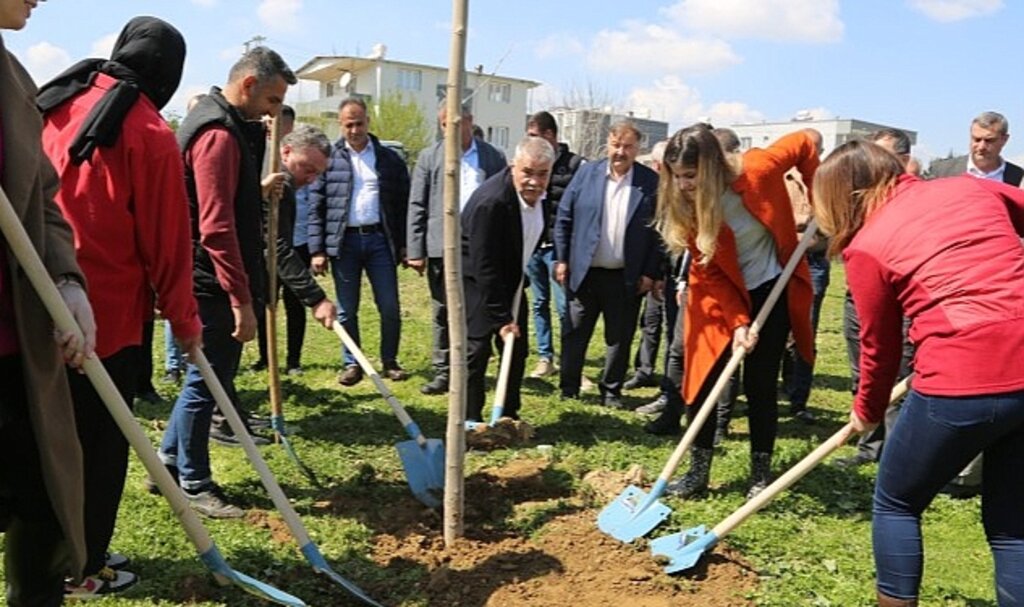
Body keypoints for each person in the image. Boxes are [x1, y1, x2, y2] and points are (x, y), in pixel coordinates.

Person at [813, 139, 1024, 607]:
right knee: (1014, 524)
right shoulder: (971, 189)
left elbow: (879, 348)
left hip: (962, 375)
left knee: (897, 502)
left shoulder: (866, 246)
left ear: (842, 196)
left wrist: (865, 413)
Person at [36, 16, 201, 596]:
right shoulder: (149, 131)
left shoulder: (58, 101)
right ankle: (85, 565)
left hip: (39, 309)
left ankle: (47, 554)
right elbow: (167, 243)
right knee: (100, 452)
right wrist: (185, 322)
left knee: (49, 445)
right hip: (106, 323)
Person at [157, 46, 296, 518]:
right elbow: (215, 226)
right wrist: (241, 299)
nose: (273, 114)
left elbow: (216, 199)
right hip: (210, 281)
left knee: (203, 378)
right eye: (273, 101)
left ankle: (168, 461)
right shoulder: (217, 134)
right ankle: (194, 481)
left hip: (208, 275)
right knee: (209, 383)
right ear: (249, 85)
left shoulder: (227, 126)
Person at [653, 124, 818, 499]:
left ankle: (760, 473)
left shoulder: (760, 167)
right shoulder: (689, 205)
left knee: (761, 384)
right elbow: (708, 272)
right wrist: (738, 322)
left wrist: (816, 193)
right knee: (703, 381)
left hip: (769, 288)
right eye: (676, 176)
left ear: (711, 166)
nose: (682, 184)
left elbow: (806, 141)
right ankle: (697, 475)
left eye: (690, 175)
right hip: (714, 295)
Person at [0, 1, 94, 603]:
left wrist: (68, 281)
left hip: (17, 350)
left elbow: (45, 200)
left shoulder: (13, 78)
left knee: (40, 515)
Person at [554, 121, 662, 409]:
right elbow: (564, 217)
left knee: (619, 337)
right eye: (616, 145)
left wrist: (651, 272)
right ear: (608, 144)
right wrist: (562, 258)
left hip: (626, 277)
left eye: (627, 146)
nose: (620, 152)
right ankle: (569, 388)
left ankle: (611, 391)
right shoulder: (587, 174)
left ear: (638, 148)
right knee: (575, 332)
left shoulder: (650, 182)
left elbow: (659, 232)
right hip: (584, 273)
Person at [308, 96, 410, 386]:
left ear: (368, 122)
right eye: (348, 124)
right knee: (346, 308)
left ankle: (389, 360)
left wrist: (405, 245)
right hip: (345, 244)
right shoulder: (328, 159)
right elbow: (317, 205)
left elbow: (402, 204)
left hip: (380, 240)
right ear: (340, 125)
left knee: (389, 305)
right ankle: (353, 362)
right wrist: (317, 249)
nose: (355, 130)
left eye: (359, 123)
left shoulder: (389, 159)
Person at [406, 102, 505, 394]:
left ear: (470, 122)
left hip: (482, 247)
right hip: (442, 246)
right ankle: (444, 371)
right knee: (442, 310)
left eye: (455, 123)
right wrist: (415, 249)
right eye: (443, 124)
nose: (448, 130)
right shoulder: (429, 157)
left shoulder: (492, 157)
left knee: (481, 308)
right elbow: (417, 204)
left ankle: (477, 369)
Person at [835, 128, 915, 469]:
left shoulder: (911, 201)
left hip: (905, 301)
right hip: (863, 296)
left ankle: (897, 459)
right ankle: (870, 446)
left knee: (897, 375)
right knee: (864, 370)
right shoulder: (861, 205)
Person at [462, 136, 553, 422]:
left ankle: (507, 416)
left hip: (512, 277)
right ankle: (469, 420)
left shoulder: (544, 200)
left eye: (542, 174)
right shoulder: (492, 203)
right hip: (475, 279)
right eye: (527, 172)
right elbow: (484, 264)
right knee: (475, 351)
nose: (534, 182)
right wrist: (502, 318)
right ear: (514, 166)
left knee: (517, 348)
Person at [263, 125, 337, 362]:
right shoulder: (278, 185)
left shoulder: (283, 184)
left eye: (318, 173)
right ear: (285, 152)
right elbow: (275, 246)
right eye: (308, 169)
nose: (312, 179)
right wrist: (316, 298)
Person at [524, 110, 584, 380]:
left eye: (535, 136)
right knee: (539, 303)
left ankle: (571, 364)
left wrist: (569, 253)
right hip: (536, 246)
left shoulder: (575, 166)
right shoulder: (531, 165)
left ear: (550, 135)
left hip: (560, 251)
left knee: (564, 308)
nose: (532, 141)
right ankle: (545, 357)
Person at [253, 104, 297, 372]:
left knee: (294, 302)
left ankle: (293, 360)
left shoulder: (296, 154)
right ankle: (265, 356)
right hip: (265, 238)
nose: (272, 127)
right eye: (269, 122)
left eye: (279, 123)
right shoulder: (258, 149)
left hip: (295, 238)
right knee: (266, 300)